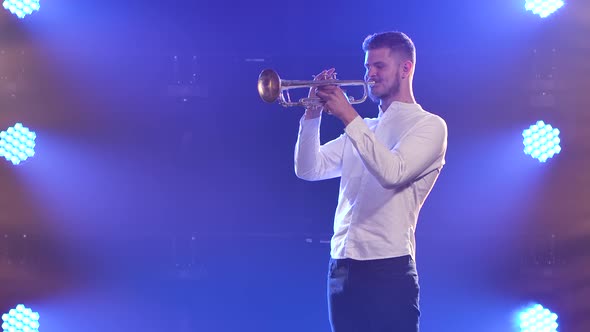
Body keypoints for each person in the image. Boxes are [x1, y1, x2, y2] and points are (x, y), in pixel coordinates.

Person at [293, 31, 448, 332]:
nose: (370, 75)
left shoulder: (429, 126)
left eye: (379, 66)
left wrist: (349, 116)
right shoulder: (365, 128)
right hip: (341, 266)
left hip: (387, 269)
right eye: (367, 67)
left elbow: (393, 172)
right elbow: (308, 168)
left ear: (406, 69)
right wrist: (313, 113)